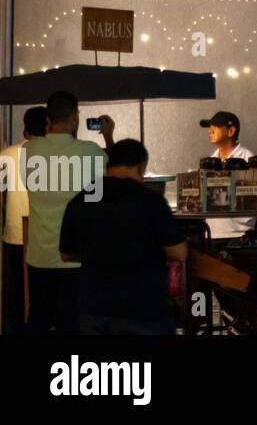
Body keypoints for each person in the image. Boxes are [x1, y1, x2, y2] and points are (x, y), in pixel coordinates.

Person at [59, 139, 187, 335]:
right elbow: (178, 252)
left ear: (108, 166)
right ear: (140, 167)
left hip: (93, 308)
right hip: (144, 309)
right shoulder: (151, 201)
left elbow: (66, 254)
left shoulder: (81, 199)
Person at [24, 91, 112, 335]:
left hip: (39, 255)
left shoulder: (29, 152)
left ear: (48, 120)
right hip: (75, 257)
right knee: (72, 322)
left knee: (38, 319)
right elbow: (117, 173)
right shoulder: (90, 151)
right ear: (74, 118)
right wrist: (109, 136)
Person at [1, 107, 45, 334]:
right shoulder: (57, 155)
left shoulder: (7, 155)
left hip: (15, 235)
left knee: (16, 294)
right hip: (47, 237)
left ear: (25, 128)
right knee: (44, 294)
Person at [200, 112, 254, 242]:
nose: (210, 131)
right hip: (212, 233)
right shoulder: (210, 160)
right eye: (209, 127)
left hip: (240, 234)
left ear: (231, 131)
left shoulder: (247, 158)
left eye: (216, 127)